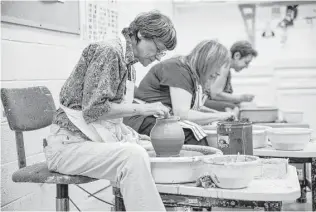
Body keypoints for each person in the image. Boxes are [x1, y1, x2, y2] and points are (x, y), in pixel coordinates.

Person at [43, 11, 177, 211]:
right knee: (133, 157)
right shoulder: (110, 52)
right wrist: (144, 109)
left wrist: (127, 132)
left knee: (146, 147)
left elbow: (107, 117)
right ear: (140, 34)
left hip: (86, 142)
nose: (158, 57)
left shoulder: (128, 62)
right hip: (67, 148)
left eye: (162, 53)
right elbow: (94, 110)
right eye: (158, 49)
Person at [124, 40, 236, 146]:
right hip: (142, 119)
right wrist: (219, 115)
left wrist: (217, 114)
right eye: (217, 67)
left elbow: (192, 108)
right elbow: (182, 114)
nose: (217, 73)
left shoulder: (191, 73)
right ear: (207, 62)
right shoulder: (178, 69)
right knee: (192, 134)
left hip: (157, 117)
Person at [204, 40, 258, 111]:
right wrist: (241, 98)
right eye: (246, 62)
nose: (247, 66)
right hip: (202, 101)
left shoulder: (226, 66)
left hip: (205, 100)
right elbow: (215, 94)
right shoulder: (225, 64)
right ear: (237, 56)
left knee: (239, 106)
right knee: (234, 109)